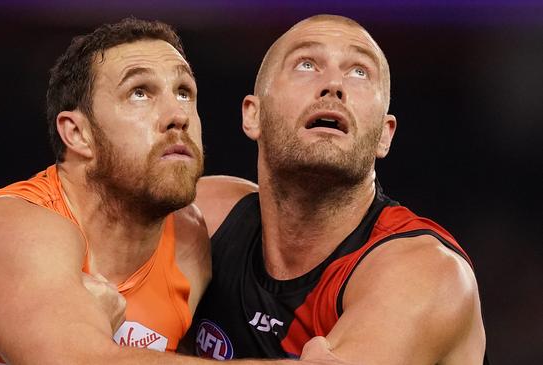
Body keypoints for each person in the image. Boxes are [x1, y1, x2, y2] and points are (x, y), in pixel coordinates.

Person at [0, 18, 211, 363]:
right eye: (139, 93)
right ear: (77, 134)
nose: (177, 115)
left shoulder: (192, 239)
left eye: (184, 91)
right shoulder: (13, 226)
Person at [188, 14, 487, 364]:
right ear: (253, 114)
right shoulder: (204, 216)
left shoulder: (427, 273)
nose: (333, 85)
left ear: (384, 134)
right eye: (306, 64)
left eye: (359, 72)